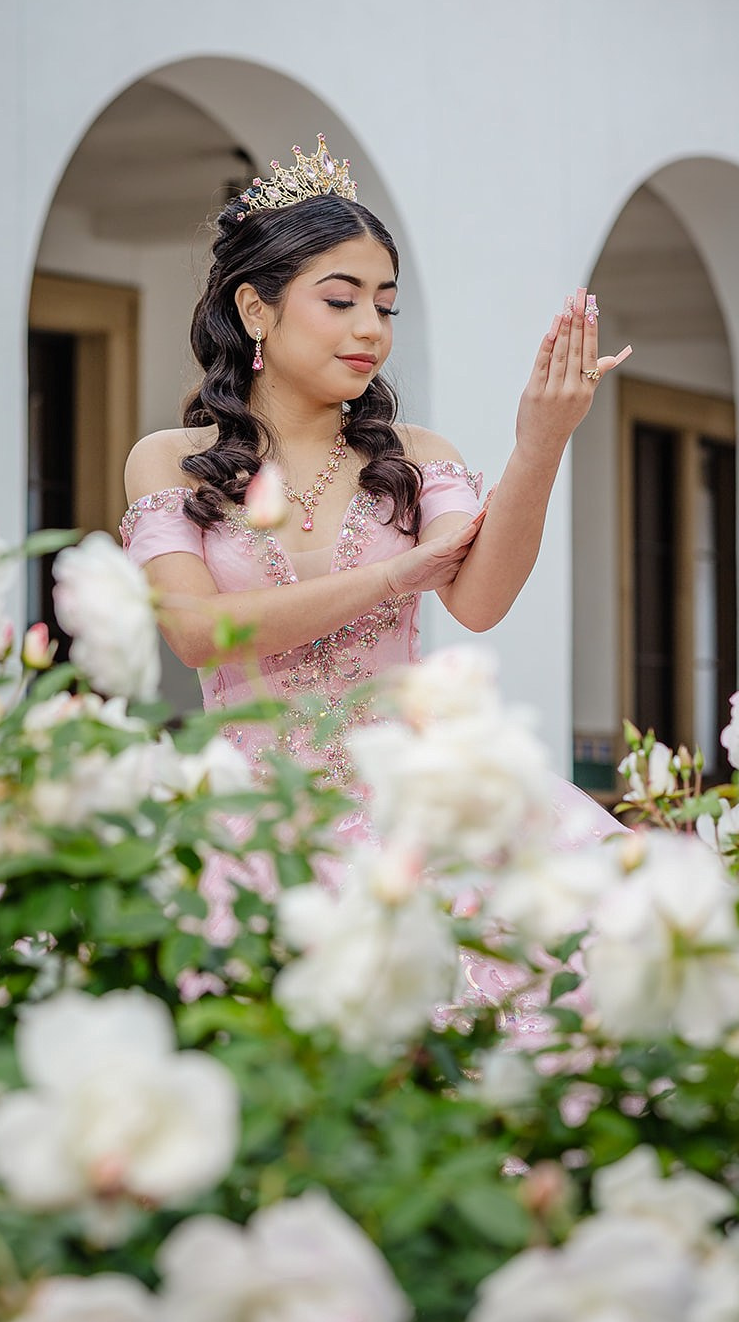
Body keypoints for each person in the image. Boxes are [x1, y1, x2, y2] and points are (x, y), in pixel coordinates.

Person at [121, 136, 630, 836]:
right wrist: (390, 577)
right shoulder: (170, 461)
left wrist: (540, 443)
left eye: (385, 307)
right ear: (254, 309)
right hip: (254, 826)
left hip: (413, 815)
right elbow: (196, 632)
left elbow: (479, 602)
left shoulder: (417, 457)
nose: (370, 329)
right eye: (340, 301)